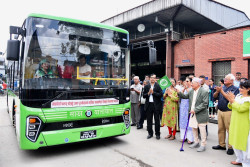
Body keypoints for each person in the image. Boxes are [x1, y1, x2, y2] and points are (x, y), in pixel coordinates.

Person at [178, 77, 209, 152]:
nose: (191, 84)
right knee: (194, 128)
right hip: (192, 113)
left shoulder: (204, 91)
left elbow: (205, 104)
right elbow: (185, 97)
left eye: (192, 83)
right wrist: (179, 92)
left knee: (202, 129)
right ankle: (196, 142)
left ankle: (203, 144)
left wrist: (195, 110)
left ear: (198, 84)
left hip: (200, 113)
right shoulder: (191, 91)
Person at [212, 74, 239, 155]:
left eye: (227, 79)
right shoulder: (222, 87)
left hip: (228, 111)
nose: (225, 79)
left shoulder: (235, 89)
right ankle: (222, 144)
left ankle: (231, 147)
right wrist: (217, 91)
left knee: (229, 130)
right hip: (220, 110)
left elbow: (230, 99)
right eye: (225, 78)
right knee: (220, 129)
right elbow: (214, 97)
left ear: (232, 81)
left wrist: (221, 91)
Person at [227, 80, 250, 166]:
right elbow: (230, 106)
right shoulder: (239, 96)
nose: (240, 89)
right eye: (240, 87)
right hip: (235, 122)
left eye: (242, 88)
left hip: (244, 125)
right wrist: (231, 100)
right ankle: (239, 159)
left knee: (244, 144)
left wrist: (233, 101)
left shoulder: (248, 100)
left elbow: (241, 109)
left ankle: (246, 163)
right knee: (235, 142)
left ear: (248, 89)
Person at [143, 74, 163, 140]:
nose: (152, 79)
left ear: (155, 79)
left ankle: (157, 134)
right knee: (149, 120)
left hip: (156, 105)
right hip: (149, 105)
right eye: (151, 78)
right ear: (149, 79)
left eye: (154, 78)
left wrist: (153, 92)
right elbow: (143, 95)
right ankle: (150, 133)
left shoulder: (158, 86)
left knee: (157, 120)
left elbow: (160, 95)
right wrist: (148, 93)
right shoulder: (146, 86)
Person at [179, 77, 194, 144]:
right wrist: (183, 89)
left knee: (189, 123)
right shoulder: (183, 88)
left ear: (191, 82)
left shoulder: (192, 89)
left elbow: (190, 95)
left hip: (189, 107)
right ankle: (183, 137)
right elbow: (180, 95)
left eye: (187, 81)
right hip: (183, 107)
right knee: (183, 122)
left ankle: (190, 138)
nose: (186, 82)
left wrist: (186, 88)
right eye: (185, 81)